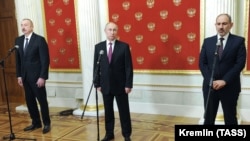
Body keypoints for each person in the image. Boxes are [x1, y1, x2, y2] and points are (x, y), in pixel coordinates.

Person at [199, 13, 246, 125]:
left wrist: (224, 80)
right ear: (215, 25)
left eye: (224, 23)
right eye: (218, 24)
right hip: (210, 87)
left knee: (230, 119)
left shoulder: (238, 41)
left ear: (231, 25)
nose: (221, 26)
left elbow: (239, 64)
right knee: (208, 119)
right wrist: (211, 80)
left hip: (229, 87)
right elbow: (202, 63)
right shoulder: (208, 41)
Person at [93, 22, 133, 141]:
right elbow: (97, 67)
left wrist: (128, 84)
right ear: (105, 31)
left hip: (121, 86)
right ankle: (109, 133)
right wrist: (97, 83)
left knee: (124, 112)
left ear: (117, 32)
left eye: (114, 30)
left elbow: (128, 67)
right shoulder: (98, 47)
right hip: (105, 85)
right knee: (108, 112)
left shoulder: (124, 46)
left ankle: (126, 135)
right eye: (110, 30)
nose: (112, 32)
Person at [15, 18, 51, 134]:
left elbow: (45, 60)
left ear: (31, 27)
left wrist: (42, 77)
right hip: (25, 77)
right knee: (30, 101)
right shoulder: (18, 40)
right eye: (22, 25)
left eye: (26, 25)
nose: (23, 27)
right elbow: (18, 60)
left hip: (37, 77)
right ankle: (36, 122)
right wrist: (19, 76)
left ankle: (46, 123)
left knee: (42, 100)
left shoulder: (39, 40)